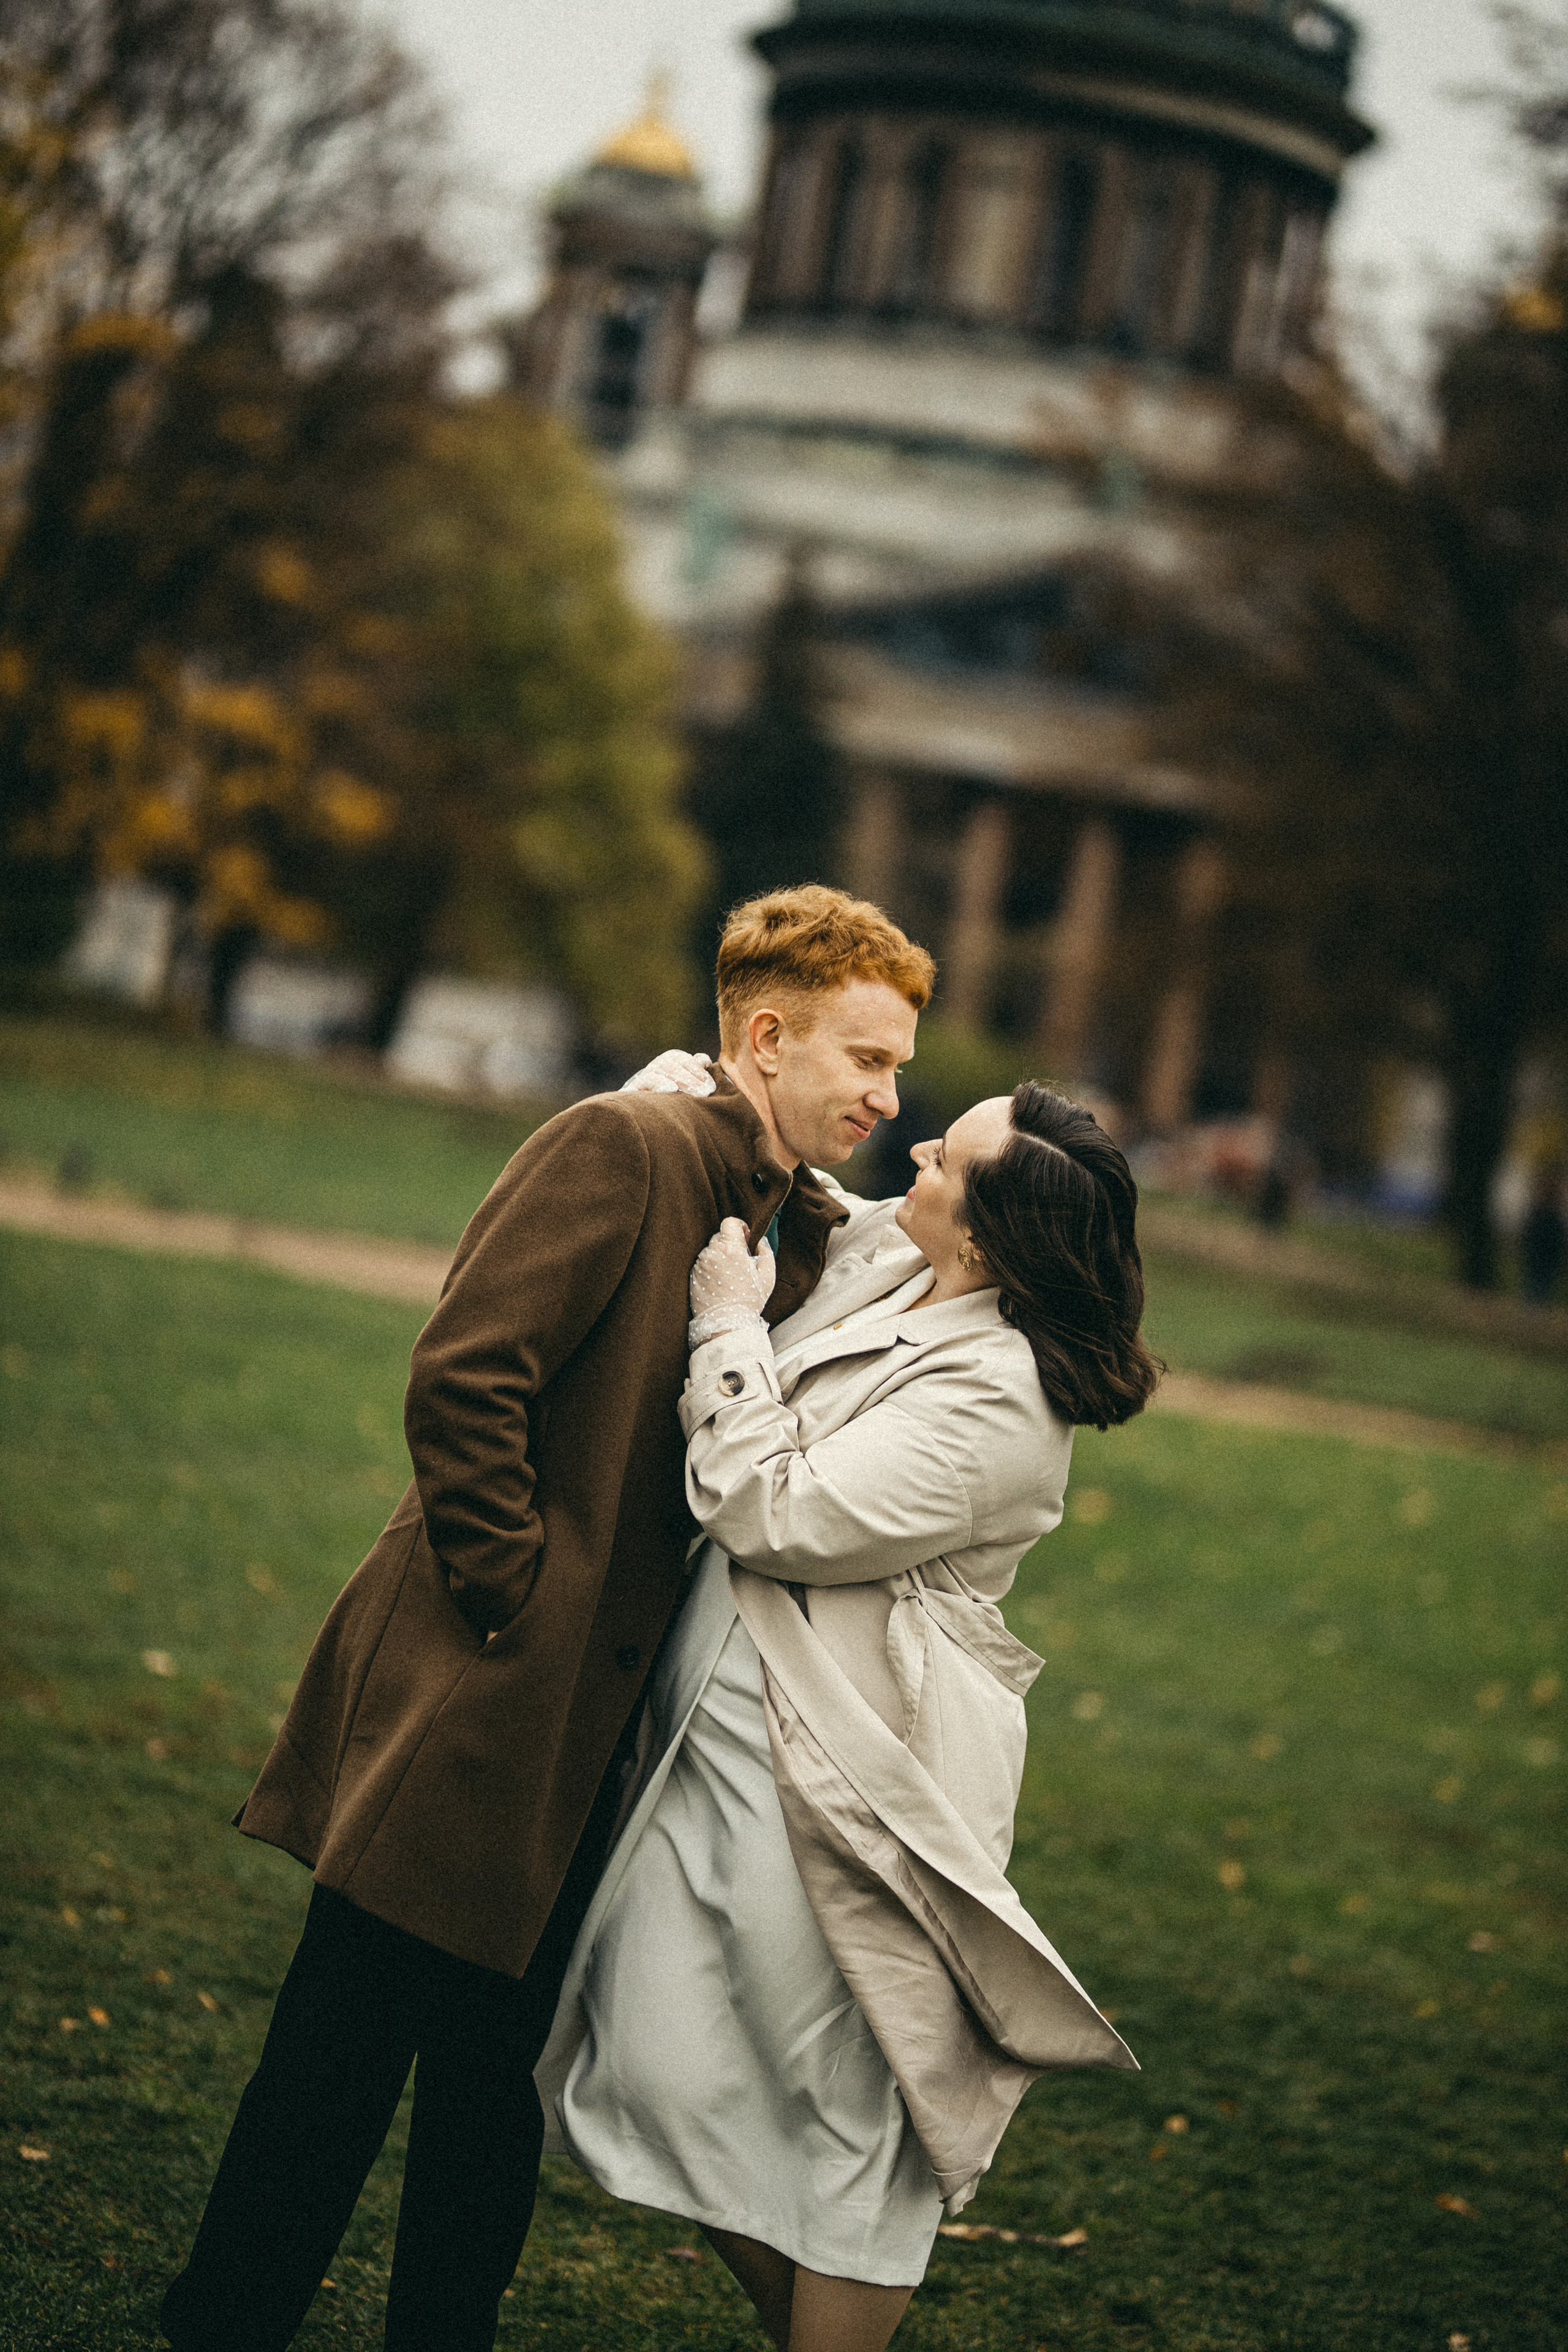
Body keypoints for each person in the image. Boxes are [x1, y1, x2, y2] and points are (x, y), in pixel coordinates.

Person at [159, 885, 935, 2352]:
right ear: (767, 1038)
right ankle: (224, 2320)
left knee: (491, 2092)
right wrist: (513, 1595)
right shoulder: (622, 1143)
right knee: (337, 2052)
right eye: (867, 1059)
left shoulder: (793, 1217)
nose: (890, 1096)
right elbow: (466, 1373)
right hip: (479, 1687)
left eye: (899, 1067)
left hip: (597, 1732)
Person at [537, 1068, 1158, 2352]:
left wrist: (725, 1330)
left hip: (851, 1771)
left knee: (846, 2110)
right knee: (644, 2060)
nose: (916, 1151)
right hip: (720, 1743)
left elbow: (776, 1512)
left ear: (987, 1235)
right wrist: (695, 1092)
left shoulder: (1003, 1399)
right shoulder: (909, 1261)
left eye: (947, 1160)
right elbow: (804, 1186)